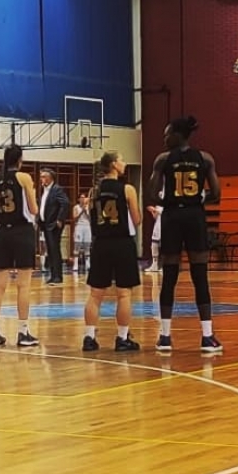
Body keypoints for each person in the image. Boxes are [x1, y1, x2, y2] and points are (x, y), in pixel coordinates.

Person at [147, 115, 223, 353]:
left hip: (172, 218)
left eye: (167, 134)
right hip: (194, 217)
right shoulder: (205, 158)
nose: (164, 138)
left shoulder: (163, 159)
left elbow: (152, 193)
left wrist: (170, 201)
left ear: (178, 135)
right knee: (200, 276)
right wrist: (197, 199)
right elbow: (216, 193)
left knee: (169, 276)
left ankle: (165, 337)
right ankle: (207, 337)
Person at [81, 151, 142, 352]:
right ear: (114, 164)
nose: (124, 163)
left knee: (95, 294)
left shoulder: (94, 191)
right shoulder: (127, 189)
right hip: (122, 243)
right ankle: (122, 338)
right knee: (124, 294)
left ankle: (89, 338)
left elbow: (93, 218)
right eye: (122, 160)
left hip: (100, 244)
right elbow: (137, 220)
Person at [0, 144, 39, 347]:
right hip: (22, 232)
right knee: (23, 285)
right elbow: (33, 209)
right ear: (20, 160)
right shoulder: (24, 178)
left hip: (3, 233)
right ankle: (23, 332)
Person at [38, 168, 69, 284]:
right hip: (45, 224)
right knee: (50, 251)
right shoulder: (44, 190)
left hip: (53, 224)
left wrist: (59, 219)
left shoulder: (57, 189)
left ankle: (58, 276)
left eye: (43, 177)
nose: (41, 179)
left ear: (50, 178)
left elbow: (65, 203)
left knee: (54, 250)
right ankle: (53, 275)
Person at [72, 193, 92, 276]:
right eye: (81, 197)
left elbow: (91, 218)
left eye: (84, 197)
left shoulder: (89, 207)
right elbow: (74, 218)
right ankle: (75, 264)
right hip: (79, 226)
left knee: (87, 245)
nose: (83, 199)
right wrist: (81, 211)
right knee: (77, 245)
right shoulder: (76, 207)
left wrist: (86, 211)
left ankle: (88, 264)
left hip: (87, 226)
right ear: (78, 199)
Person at [146, 194, 163, 272]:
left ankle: (164, 266)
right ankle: (154, 264)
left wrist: (157, 211)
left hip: (166, 225)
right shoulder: (158, 205)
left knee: (165, 246)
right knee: (154, 244)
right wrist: (153, 211)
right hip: (157, 225)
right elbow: (155, 217)